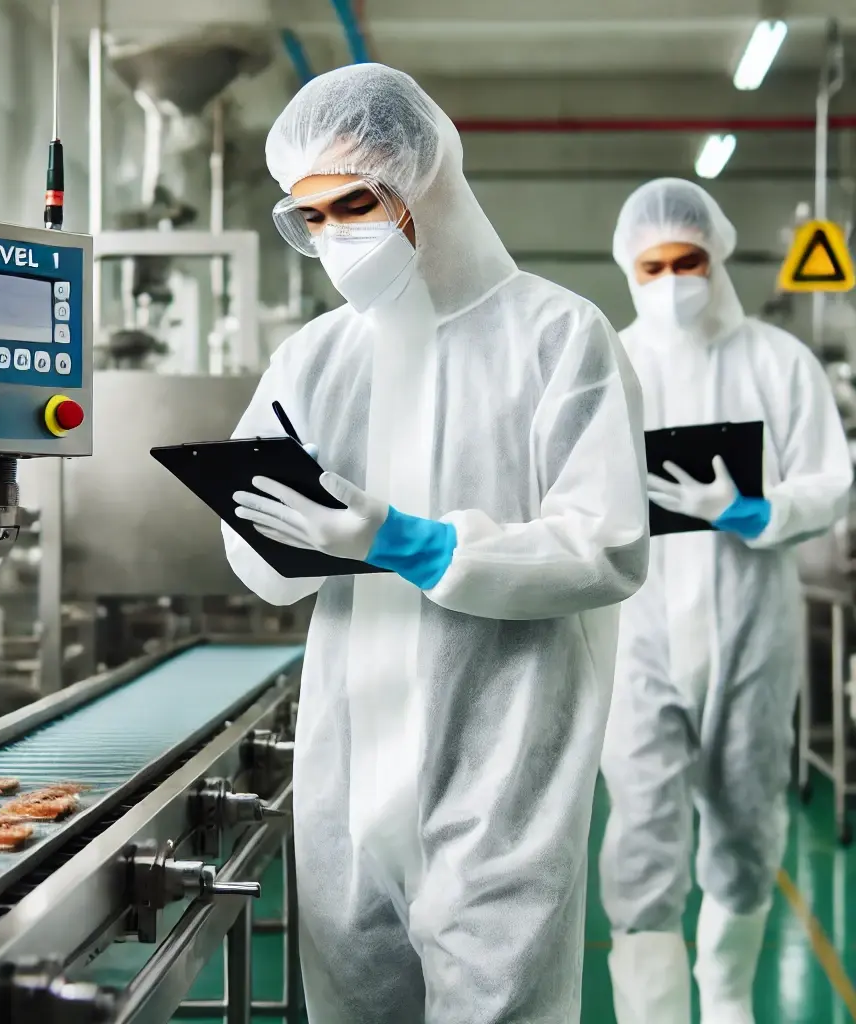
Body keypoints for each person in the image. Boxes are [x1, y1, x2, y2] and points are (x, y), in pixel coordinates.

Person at [222, 63, 649, 1023]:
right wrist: (277, 536)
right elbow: (252, 552)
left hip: (497, 781)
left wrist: (408, 541)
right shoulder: (314, 356)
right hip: (345, 782)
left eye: (355, 203)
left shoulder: (558, 338)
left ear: (426, 183)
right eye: (312, 217)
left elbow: (609, 546)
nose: (336, 237)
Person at [600, 178, 853, 1024]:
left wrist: (761, 509)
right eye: (655, 265)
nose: (674, 280)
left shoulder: (776, 361)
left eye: (690, 261)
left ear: (718, 257)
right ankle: (656, 1014)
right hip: (638, 637)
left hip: (754, 628)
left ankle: (732, 997)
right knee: (642, 829)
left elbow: (832, 480)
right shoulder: (611, 364)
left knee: (747, 817)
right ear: (628, 270)